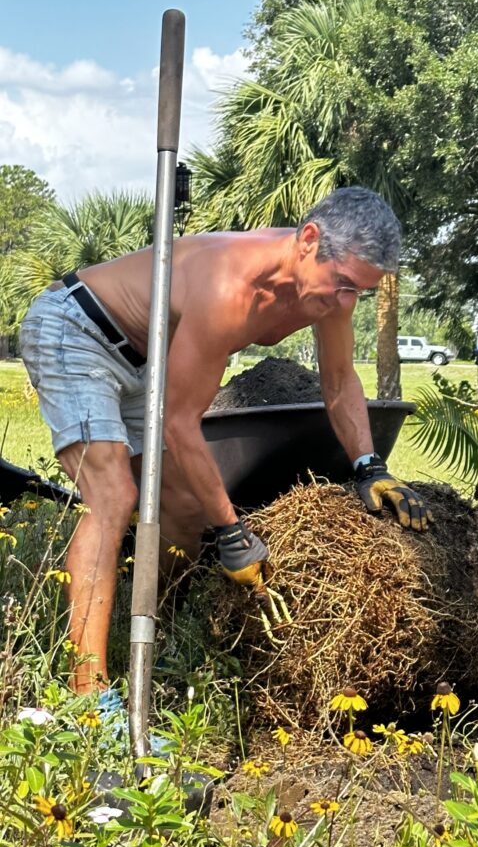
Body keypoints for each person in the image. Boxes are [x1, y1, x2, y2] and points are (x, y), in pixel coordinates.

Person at [20, 186, 431, 700]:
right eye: (343, 284)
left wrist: (370, 467)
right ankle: (88, 699)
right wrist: (234, 533)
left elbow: (340, 380)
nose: (345, 303)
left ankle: (154, 642)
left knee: (186, 509)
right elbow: (178, 423)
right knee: (114, 497)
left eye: (359, 292)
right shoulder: (231, 285)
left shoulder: (326, 291)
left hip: (146, 360)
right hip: (78, 330)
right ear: (308, 240)